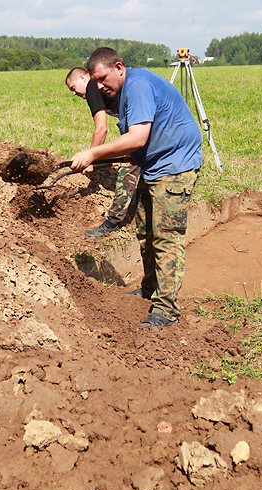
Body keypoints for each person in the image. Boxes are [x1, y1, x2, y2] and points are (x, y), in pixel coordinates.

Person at [69, 47, 203, 329]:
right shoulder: (123, 92)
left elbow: (138, 137)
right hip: (152, 164)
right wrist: (105, 157)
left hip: (175, 165)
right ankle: (150, 287)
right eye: (96, 82)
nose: (101, 86)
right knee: (145, 232)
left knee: (166, 237)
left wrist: (93, 154)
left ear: (119, 68)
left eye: (103, 78)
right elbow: (134, 144)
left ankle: (166, 309)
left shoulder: (139, 86)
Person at [65, 67, 140, 238]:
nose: (74, 94)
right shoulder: (98, 88)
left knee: (128, 165)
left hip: (140, 131)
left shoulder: (92, 86)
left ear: (83, 78)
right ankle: (141, 206)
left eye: (73, 88)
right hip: (143, 128)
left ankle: (112, 222)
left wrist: (91, 157)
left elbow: (101, 129)